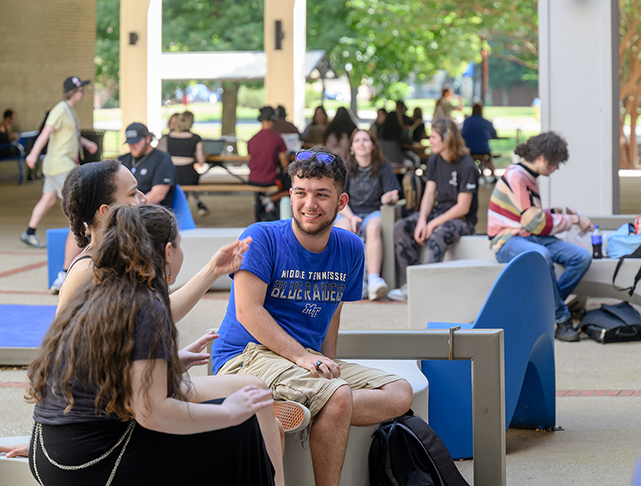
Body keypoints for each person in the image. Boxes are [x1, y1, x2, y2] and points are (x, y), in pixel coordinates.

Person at [26, 204, 281, 485]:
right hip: (92, 461)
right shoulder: (146, 304)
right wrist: (228, 413)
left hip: (51, 451)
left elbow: (104, 369)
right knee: (241, 427)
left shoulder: (103, 290)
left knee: (242, 406)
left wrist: (169, 364)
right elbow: (151, 413)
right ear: (168, 252)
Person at [210, 147, 413, 485]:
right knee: (337, 397)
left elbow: (332, 315)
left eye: (322, 194)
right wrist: (307, 360)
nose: (309, 204)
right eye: (301, 193)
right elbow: (248, 311)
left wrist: (325, 363)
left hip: (302, 360)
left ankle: (289, 405)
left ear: (341, 202)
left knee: (399, 392)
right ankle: (294, 405)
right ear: (290, 195)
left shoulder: (351, 247)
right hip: (244, 356)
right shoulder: (261, 236)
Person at [486, 132, 593, 342]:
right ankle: (561, 319)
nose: (557, 168)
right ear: (544, 158)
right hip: (506, 240)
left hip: (527, 236)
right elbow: (533, 222)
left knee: (581, 258)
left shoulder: (528, 177)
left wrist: (557, 212)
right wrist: (574, 221)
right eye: (555, 163)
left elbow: (530, 217)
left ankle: (544, 310)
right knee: (541, 255)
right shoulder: (517, 176)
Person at [387, 119, 479, 302]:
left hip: (462, 219)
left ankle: (425, 289)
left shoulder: (467, 165)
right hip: (440, 213)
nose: (430, 141)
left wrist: (433, 223)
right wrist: (422, 220)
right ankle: (411, 284)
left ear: (448, 138)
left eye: (434, 137)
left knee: (437, 234)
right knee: (401, 227)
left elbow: (463, 207)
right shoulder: (435, 160)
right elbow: (429, 195)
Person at [21, 76, 98, 295]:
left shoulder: (69, 110)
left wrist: (86, 143)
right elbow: (46, 132)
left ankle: (29, 232)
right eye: (81, 90)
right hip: (61, 166)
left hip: (56, 167)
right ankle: (65, 273)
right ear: (73, 91)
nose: (83, 93)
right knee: (79, 215)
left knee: (47, 199)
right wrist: (33, 155)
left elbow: (69, 134)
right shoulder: (60, 109)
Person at [335, 130, 401, 300]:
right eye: (357, 140)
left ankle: (373, 281)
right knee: (343, 229)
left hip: (373, 212)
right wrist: (350, 217)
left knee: (373, 228)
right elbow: (338, 198)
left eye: (366, 140)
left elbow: (393, 193)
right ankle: (350, 281)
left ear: (373, 145)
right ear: (352, 146)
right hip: (348, 212)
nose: (362, 144)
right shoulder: (345, 167)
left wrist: (390, 197)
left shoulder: (383, 165)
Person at [118, 122, 176, 207]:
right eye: (129, 142)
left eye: (136, 142)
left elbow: (158, 195)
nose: (132, 146)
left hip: (151, 211)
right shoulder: (122, 159)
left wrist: (132, 209)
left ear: (148, 138)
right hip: (125, 210)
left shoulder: (162, 159)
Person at [166, 111, 209, 216]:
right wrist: (207, 154)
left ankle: (180, 210)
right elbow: (201, 161)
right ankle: (197, 204)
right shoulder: (195, 138)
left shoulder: (168, 137)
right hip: (188, 175)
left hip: (172, 175)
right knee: (192, 176)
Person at [462, 102, 498, 175]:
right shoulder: (486, 122)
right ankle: (494, 176)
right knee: (488, 159)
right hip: (483, 149)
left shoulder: (466, 122)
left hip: (468, 149)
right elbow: (494, 134)